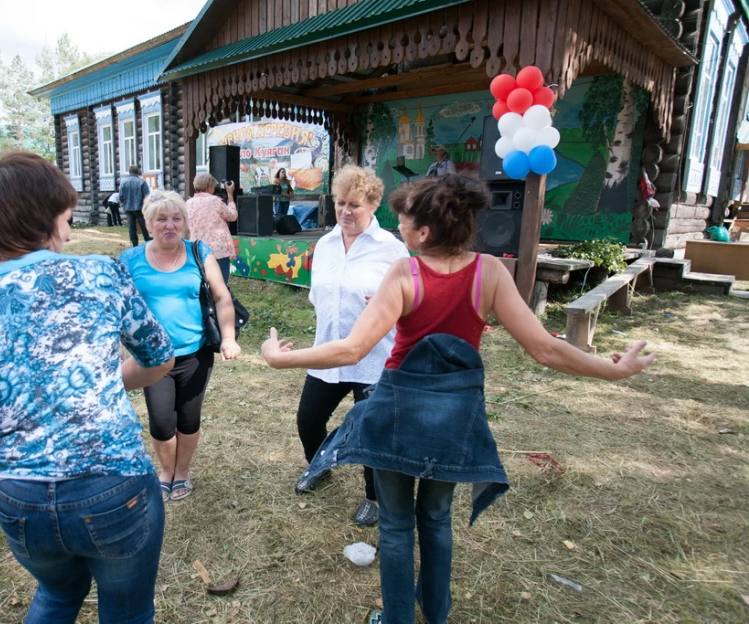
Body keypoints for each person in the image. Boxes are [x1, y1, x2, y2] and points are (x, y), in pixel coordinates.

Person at [261, 175, 655, 624]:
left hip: (397, 414)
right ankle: (436, 614)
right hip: (454, 418)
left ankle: (397, 619)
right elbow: (544, 347)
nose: (400, 228)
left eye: (405, 220)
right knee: (435, 518)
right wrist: (614, 368)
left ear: (424, 232)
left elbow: (352, 349)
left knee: (394, 525)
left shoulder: (404, 272)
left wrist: (277, 359)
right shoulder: (489, 271)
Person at [0, 152, 176, 623]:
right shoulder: (99, 274)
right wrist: (99, 389)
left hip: (21, 502)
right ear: (51, 217)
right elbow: (159, 358)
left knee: (55, 596)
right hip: (115, 486)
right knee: (128, 612)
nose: (69, 232)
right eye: (67, 218)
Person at [291, 165, 408, 528]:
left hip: (374, 358)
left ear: (373, 206)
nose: (345, 211)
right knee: (308, 420)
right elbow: (318, 296)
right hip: (330, 352)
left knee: (372, 431)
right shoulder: (325, 245)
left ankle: (374, 497)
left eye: (354, 205)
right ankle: (321, 466)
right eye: (340, 203)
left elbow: (410, 299)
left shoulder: (393, 249)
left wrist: (390, 304)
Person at [119, 191, 241, 502]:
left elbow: (222, 297)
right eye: (161, 219)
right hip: (150, 358)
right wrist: (120, 349)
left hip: (195, 354)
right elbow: (117, 309)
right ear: (148, 223)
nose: (169, 225)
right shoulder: (130, 260)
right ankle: (165, 470)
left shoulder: (199, 252)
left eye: (176, 219)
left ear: (185, 224)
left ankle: (182, 471)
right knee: (161, 422)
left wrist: (228, 337)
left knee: (189, 418)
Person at [187, 173, 237, 284]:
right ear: (209, 187)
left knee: (202, 287)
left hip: (197, 251)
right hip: (217, 250)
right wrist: (230, 195)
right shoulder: (215, 202)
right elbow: (232, 216)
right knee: (220, 286)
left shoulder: (188, 203)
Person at [119, 165, 152, 246]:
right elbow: (147, 196)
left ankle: (134, 245)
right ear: (137, 172)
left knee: (131, 227)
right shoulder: (142, 182)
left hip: (128, 208)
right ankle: (148, 243)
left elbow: (121, 197)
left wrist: (125, 203)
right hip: (140, 208)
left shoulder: (124, 182)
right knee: (144, 226)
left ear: (129, 172)